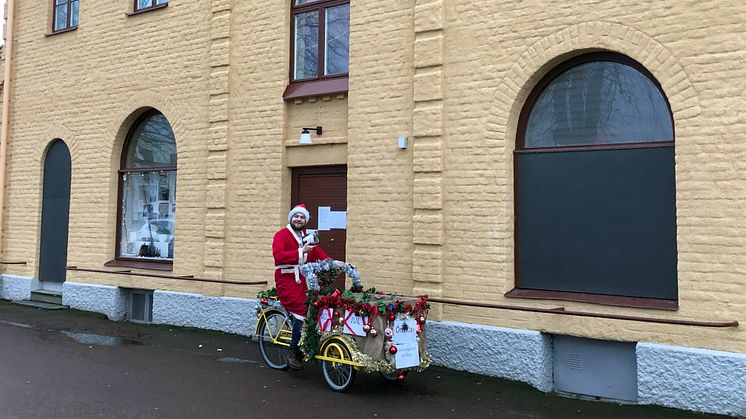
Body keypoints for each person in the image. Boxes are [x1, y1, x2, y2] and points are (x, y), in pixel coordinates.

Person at [272, 204, 331, 370]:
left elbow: (319, 254)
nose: (299, 219)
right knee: (301, 312)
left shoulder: (308, 236)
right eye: (296, 216)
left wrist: (333, 262)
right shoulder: (281, 235)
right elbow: (278, 255)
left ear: (306, 220)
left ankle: (308, 345)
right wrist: (301, 251)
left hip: (306, 280)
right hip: (288, 280)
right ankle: (293, 352)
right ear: (291, 218)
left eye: (302, 217)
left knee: (318, 307)